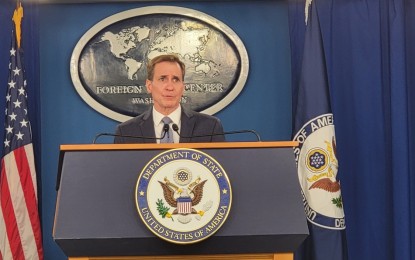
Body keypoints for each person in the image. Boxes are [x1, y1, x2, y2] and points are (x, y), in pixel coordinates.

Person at [114, 54, 225, 143]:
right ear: (149, 86)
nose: (170, 87)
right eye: (163, 79)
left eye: (176, 80)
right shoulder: (126, 132)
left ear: (183, 87)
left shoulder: (210, 127)